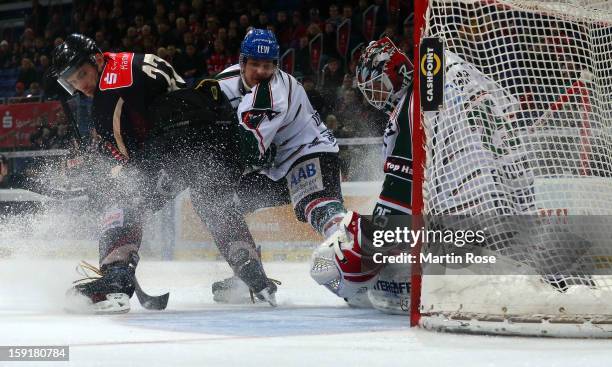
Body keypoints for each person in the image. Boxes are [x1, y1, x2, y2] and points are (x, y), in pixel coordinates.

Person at [48, 33, 277, 313]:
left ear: (97, 59)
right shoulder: (130, 59)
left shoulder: (109, 87)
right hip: (214, 140)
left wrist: (106, 176)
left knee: (122, 197)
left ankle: (115, 282)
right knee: (212, 202)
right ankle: (252, 275)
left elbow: (130, 161)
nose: (80, 86)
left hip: (174, 147)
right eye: (72, 82)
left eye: (82, 74)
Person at [211, 29, 349, 302]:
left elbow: (249, 151)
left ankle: (358, 255)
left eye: (268, 65)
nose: (262, 71)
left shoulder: (274, 91)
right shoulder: (222, 83)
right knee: (218, 204)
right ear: (242, 63)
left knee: (317, 203)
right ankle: (247, 273)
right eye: (255, 65)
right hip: (274, 168)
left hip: (309, 151)